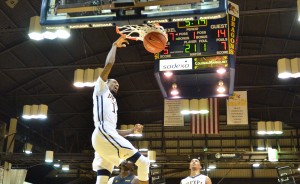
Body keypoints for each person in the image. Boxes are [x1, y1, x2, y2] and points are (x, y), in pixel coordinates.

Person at [91, 36, 150, 184]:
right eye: (114, 82)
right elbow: (109, 64)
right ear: (106, 82)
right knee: (144, 162)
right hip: (103, 132)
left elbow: (115, 131)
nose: (117, 84)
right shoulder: (100, 89)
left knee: (103, 177)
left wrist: (131, 131)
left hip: (106, 136)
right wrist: (114, 46)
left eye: (118, 84)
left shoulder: (114, 103)